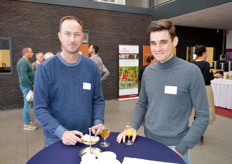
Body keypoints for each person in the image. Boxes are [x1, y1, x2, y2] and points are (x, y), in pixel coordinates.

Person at [117, 19, 209, 164]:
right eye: (153, 43)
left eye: (163, 42)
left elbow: (203, 116)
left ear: (175, 41)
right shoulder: (148, 71)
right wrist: (133, 126)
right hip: (148, 142)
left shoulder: (191, 72)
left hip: (175, 148)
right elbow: (142, 103)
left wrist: (180, 149)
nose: (157, 48)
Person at [33, 16, 105, 147]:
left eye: (77, 34)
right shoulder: (45, 68)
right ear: (60, 36)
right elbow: (39, 109)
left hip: (86, 138)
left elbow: (97, 100)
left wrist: (98, 121)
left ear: (82, 37)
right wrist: (62, 133)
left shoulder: (91, 67)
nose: (72, 39)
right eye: (67, 34)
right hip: (56, 140)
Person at [192, 45, 222, 143]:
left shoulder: (192, 63)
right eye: (207, 52)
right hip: (204, 89)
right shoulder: (205, 64)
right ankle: (199, 133)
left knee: (196, 110)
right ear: (204, 53)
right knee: (206, 110)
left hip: (194, 90)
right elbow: (205, 79)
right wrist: (214, 76)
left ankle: (195, 131)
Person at [17, 47, 37, 130]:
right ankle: (26, 124)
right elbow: (24, 77)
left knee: (28, 104)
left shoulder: (25, 61)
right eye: (31, 52)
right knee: (27, 105)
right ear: (26, 53)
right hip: (27, 87)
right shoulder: (23, 62)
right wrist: (31, 87)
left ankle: (28, 120)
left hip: (28, 86)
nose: (32, 53)